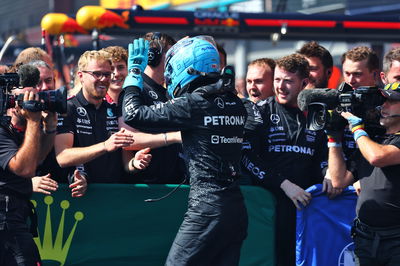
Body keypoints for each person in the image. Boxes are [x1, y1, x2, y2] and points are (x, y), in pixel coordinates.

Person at [122, 37, 248, 265]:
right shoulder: (235, 101)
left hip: (206, 205)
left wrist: (133, 73)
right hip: (236, 208)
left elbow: (133, 113)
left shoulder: (194, 104)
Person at [241, 53, 327, 266]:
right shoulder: (259, 111)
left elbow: (322, 157)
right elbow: (246, 156)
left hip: (306, 208)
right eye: (277, 79)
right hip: (266, 208)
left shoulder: (316, 115)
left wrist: (329, 174)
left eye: (288, 81)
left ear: (304, 83)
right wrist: (284, 185)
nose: (280, 86)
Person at [328, 82, 400, 265]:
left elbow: (378, 157)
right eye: (382, 101)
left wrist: (358, 130)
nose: (383, 106)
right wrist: (333, 138)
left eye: (391, 101)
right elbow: (338, 180)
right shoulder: (373, 140)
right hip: (365, 238)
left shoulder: (370, 143)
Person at [55, 50, 151, 183]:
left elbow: (126, 162)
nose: (104, 79)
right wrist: (105, 145)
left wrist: (134, 163)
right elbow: (62, 157)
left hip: (113, 194)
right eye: (97, 74)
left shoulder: (114, 109)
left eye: (107, 74)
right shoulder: (68, 108)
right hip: (82, 196)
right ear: (81, 76)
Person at [0, 87, 56, 265]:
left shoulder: (18, 130)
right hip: (5, 220)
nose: (33, 103)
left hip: (15, 216)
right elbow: (25, 169)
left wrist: (50, 128)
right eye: (26, 98)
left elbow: (36, 159)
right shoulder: (2, 129)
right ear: (12, 103)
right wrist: (33, 121)